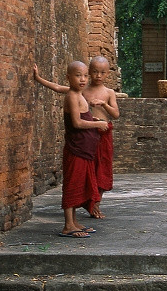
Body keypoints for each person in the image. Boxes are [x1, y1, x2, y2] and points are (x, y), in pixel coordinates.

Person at [33, 56, 120, 218]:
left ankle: (96, 204)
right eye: (94, 72)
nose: (98, 76)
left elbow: (115, 114)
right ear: (89, 72)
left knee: (102, 169)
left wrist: (103, 104)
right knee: (88, 169)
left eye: (102, 73)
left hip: (103, 134)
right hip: (85, 136)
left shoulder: (109, 92)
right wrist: (38, 78)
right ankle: (86, 203)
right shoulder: (81, 91)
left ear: (108, 74)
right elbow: (58, 88)